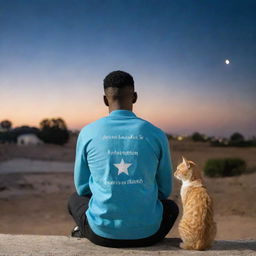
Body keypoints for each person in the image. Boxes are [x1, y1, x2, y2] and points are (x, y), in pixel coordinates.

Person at [67, 70, 179, 248]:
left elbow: (82, 187)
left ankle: (84, 229)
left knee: (74, 199)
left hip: (101, 235)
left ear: (105, 100)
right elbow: (165, 190)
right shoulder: (156, 134)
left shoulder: (88, 132)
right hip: (149, 234)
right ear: (134, 97)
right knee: (171, 207)